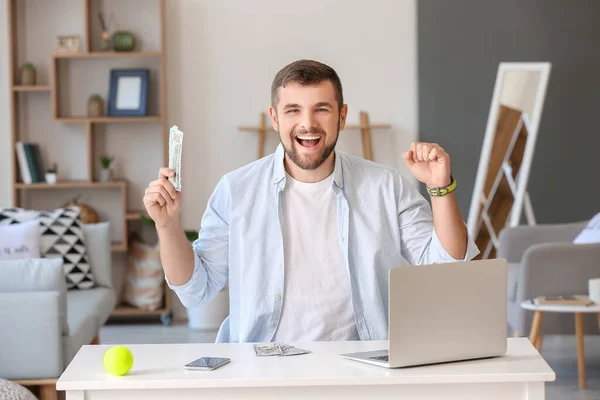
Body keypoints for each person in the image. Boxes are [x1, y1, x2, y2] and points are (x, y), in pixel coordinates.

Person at [143, 59, 479, 343]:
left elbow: (447, 270)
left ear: (341, 117)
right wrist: (167, 225)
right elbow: (195, 291)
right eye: (293, 110)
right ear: (275, 118)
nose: (307, 123)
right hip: (263, 369)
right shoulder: (236, 190)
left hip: (363, 368)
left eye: (322, 109)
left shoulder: (385, 186)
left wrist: (441, 189)